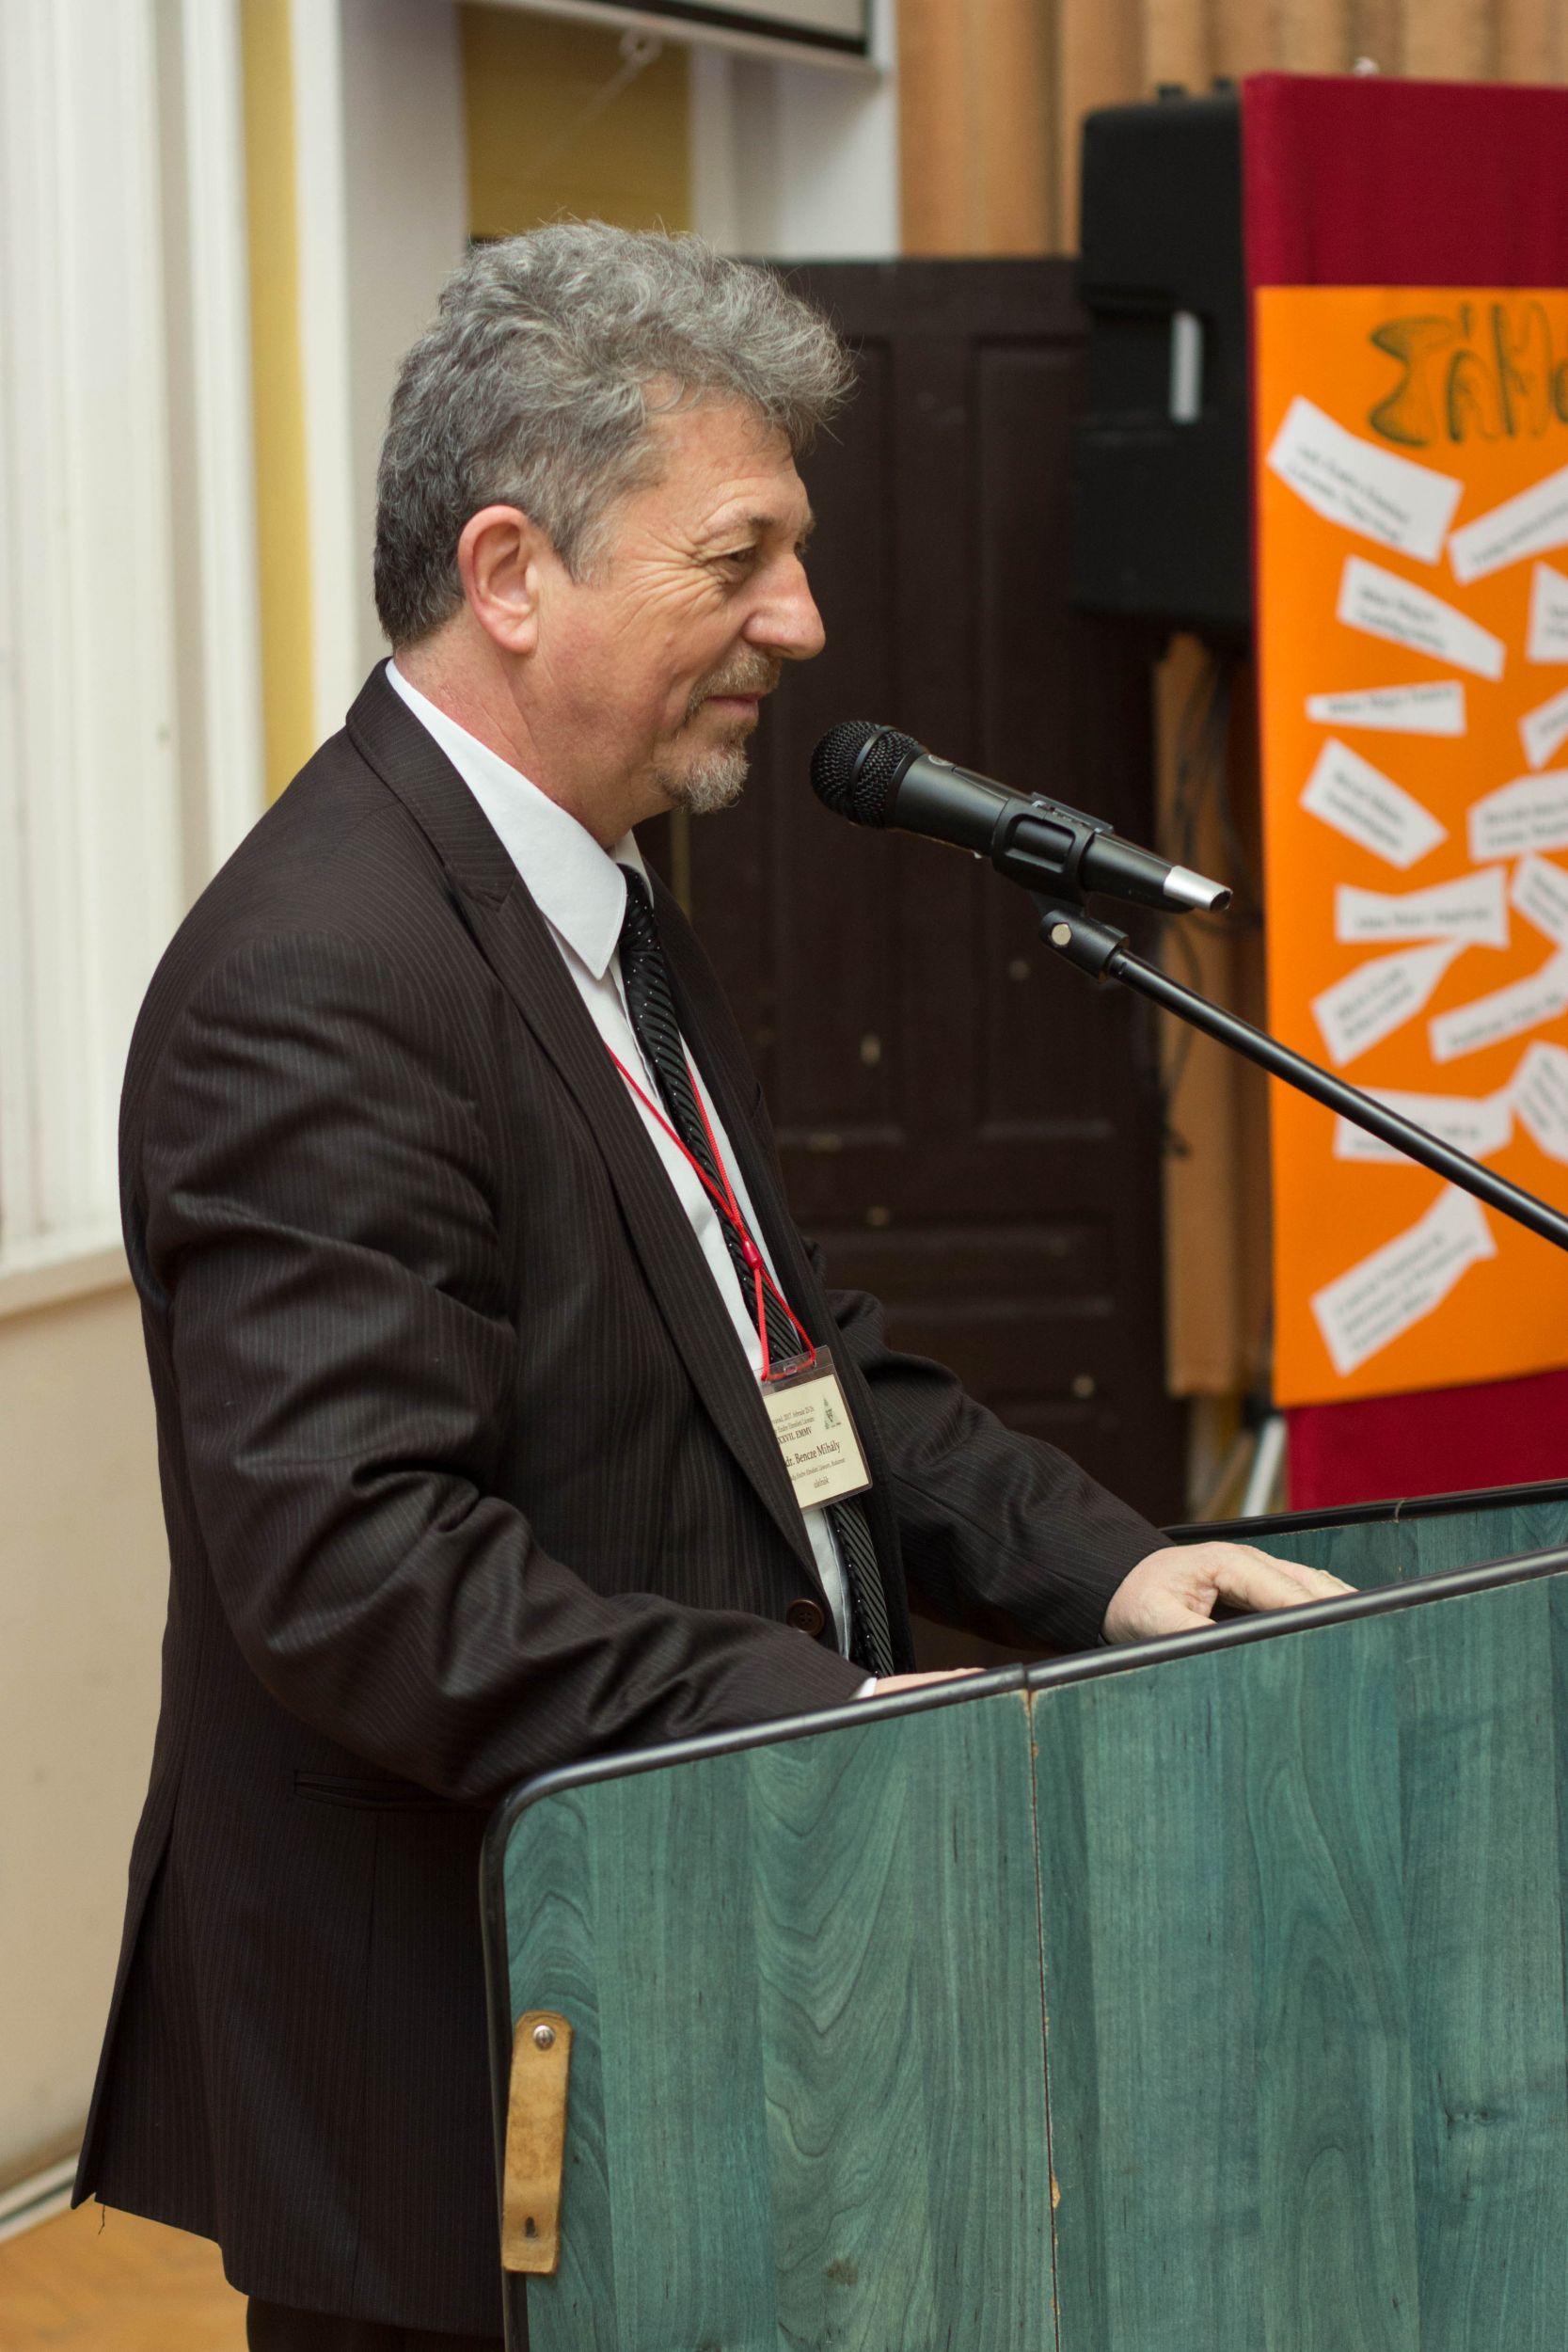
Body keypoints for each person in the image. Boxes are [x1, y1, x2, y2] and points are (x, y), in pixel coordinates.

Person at [74, 225, 1345, 2350]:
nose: (804, 619)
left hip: (704, 1981)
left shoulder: (608, 902)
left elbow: (789, 1363)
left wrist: (1112, 1570)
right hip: (475, 2061)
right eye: (739, 556)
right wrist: (824, 1718)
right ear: (511, 572)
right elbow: (360, 1573)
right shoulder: (323, 977)